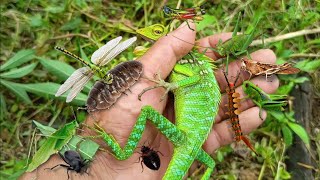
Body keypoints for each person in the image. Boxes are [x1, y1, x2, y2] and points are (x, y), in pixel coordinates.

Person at [21, 22, 279, 179]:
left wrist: (169, 84)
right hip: (191, 143)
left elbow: (187, 81)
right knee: (209, 162)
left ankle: (120, 151)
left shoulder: (190, 68)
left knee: (147, 114)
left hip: (184, 139)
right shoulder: (197, 69)